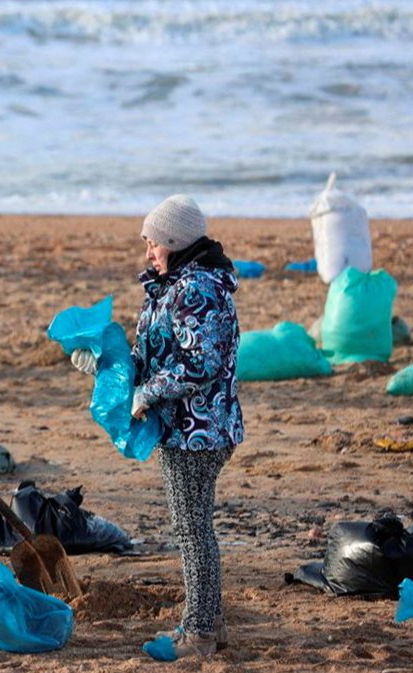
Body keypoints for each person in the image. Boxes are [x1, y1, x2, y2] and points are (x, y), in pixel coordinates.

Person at [70, 194, 244, 660]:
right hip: (186, 428)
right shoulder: (174, 284)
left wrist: (147, 394)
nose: (148, 252)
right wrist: (104, 365)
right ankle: (210, 623)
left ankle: (199, 634)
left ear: (175, 241)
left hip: (200, 430)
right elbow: (155, 356)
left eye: (153, 243)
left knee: (192, 531)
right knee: (194, 527)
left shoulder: (197, 289)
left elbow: (200, 364)